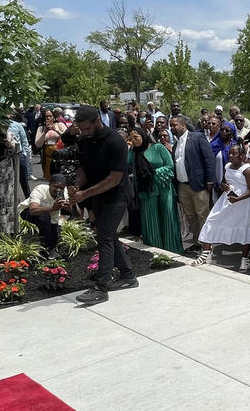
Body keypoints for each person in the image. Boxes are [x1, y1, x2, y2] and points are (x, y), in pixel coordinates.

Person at [67, 105, 137, 305]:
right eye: (81, 130)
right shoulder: (84, 140)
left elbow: (115, 178)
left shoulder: (116, 142)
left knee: (104, 235)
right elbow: (83, 168)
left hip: (118, 195)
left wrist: (84, 194)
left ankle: (101, 287)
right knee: (108, 234)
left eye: (87, 129)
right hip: (99, 195)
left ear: (98, 121)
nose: (84, 133)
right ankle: (128, 276)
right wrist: (78, 184)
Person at [194, 145, 250, 270]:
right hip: (227, 199)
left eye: (234, 153)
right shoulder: (227, 166)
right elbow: (225, 181)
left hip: (242, 203)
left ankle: (244, 259)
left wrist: (238, 199)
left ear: (241, 156)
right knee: (211, 221)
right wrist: (224, 186)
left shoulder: (247, 170)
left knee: (243, 228)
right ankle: (205, 254)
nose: (230, 155)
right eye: (230, 153)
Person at [127, 128, 183, 254]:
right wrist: (130, 148)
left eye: (136, 137)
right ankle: (155, 251)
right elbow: (126, 162)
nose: (134, 140)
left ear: (143, 136)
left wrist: (152, 174)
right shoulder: (134, 153)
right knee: (150, 221)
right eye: (131, 138)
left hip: (164, 188)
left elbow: (170, 166)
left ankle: (172, 250)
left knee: (168, 218)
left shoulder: (158, 148)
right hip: (146, 191)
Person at [170, 116, 215, 250]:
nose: (172, 128)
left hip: (198, 185)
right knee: (191, 216)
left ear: (183, 125)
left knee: (202, 215)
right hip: (183, 186)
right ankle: (197, 242)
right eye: (171, 126)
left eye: (175, 125)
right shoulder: (176, 144)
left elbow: (209, 159)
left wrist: (210, 180)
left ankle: (206, 245)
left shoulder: (197, 138)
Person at [17, 174, 69, 257]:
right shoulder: (40, 189)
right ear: (49, 185)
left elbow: (75, 213)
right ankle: (46, 250)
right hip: (27, 211)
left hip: (51, 214)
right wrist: (53, 208)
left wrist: (72, 203)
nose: (58, 190)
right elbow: (33, 210)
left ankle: (48, 250)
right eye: (55, 186)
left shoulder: (64, 193)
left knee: (55, 235)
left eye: (61, 188)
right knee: (43, 217)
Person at [35, 109, 67, 179]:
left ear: (54, 116)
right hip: (47, 157)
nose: (48, 118)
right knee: (49, 178)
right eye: (46, 116)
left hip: (59, 154)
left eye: (50, 116)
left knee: (59, 178)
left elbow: (67, 137)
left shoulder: (60, 125)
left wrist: (56, 130)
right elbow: (38, 144)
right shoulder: (41, 128)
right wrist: (44, 132)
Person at [9, 112, 30, 198]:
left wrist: (24, 154)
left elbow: (24, 140)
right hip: (5, 156)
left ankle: (28, 198)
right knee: (9, 180)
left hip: (18, 154)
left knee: (23, 179)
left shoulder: (17, 125)